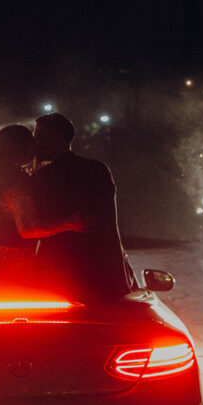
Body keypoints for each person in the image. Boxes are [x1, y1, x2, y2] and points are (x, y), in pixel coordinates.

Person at [0, 124, 85, 289]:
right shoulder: (17, 183)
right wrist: (70, 223)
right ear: (21, 149)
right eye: (32, 142)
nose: (36, 146)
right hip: (2, 266)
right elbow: (28, 229)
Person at [20, 112, 131, 300]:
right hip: (105, 273)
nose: (34, 143)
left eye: (39, 136)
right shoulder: (98, 169)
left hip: (60, 276)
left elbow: (33, 224)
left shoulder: (44, 177)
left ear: (55, 139)